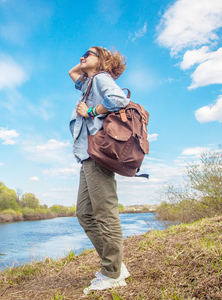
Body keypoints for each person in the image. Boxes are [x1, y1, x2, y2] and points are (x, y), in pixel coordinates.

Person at [68, 46, 131, 294]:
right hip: (86, 157)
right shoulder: (88, 84)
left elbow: (119, 100)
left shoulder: (102, 79)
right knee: (84, 214)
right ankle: (116, 265)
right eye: (81, 53)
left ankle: (112, 273)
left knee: (105, 213)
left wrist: (92, 111)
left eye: (88, 53)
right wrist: (86, 63)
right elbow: (71, 72)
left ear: (101, 60)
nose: (81, 57)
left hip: (98, 153)